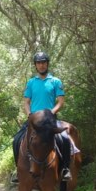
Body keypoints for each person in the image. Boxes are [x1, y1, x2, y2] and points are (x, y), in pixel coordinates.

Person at [12, 51, 73, 183]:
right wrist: (29, 114)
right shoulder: (31, 83)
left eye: (44, 62)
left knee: (65, 138)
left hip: (49, 120)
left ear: (47, 64)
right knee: (16, 139)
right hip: (34, 121)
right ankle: (17, 170)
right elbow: (26, 102)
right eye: (39, 63)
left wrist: (51, 112)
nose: (41, 65)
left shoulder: (56, 81)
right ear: (35, 65)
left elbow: (61, 102)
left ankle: (65, 169)